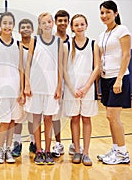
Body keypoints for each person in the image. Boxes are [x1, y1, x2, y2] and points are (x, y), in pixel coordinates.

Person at [24, 12, 63, 165]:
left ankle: (48, 150)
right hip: (35, 84)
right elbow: (28, 63)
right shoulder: (34, 40)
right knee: (36, 119)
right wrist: (27, 84)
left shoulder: (58, 42)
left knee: (49, 118)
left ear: (53, 23)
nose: (47, 24)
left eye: (49, 21)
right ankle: (38, 150)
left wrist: (59, 86)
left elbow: (60, 65)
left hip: (51, 86)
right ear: (39, 26)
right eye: (44, 22)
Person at [96, 0, 131, 165]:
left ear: (115, 13)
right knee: (110, 118)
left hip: (118, 79)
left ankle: (123, 153)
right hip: (105, 79)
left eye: (107, 12)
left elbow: (126, 55)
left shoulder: (122, 30)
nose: (104, 16)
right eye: (102, 13)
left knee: (113, 116)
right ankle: (116, 149)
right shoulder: (102, 35)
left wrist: (119, 79)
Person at [63, 14, 100, 166]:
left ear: (86, 25)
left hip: (88, 88)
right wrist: (72, 88)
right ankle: (77, 150)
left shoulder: (93, 44)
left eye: (81, 24)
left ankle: (86, 152)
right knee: (75, 119)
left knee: (86, 119)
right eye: (76, 25)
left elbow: (97, 67)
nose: (79, 27)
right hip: (72, 89)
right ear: (72, 27)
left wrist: (86, 87)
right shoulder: (67, 45)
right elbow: (63, 69)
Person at [0, 12, 25, 164]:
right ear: (0, 25)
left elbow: (21, 68)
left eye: (10, 23)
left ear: (13, 26)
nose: (7, 26)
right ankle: (0, 150)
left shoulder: (19, 44)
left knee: (12, 121)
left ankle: (8, 149)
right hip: (0, 88)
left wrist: (22, 90)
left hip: (15, 88)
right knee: (3, 121)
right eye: (5, 23)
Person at [12, 18, 36, 157]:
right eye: (23, 27)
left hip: (34, 83)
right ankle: (17, 143)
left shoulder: (37, 44)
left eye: (28, 26)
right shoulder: (16, 45)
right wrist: (21, 88)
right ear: (19, 30)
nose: (26, 29)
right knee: (19, 117)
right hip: (19, 83)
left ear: (32, 29)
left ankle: (33, 142)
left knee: (33, 117)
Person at [51, 10, 70, 157]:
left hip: (71, 82)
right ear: (55, 22)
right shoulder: (50, 41)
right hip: (54, 82)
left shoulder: (73, 41)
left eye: (65, 20)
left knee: (75, 114)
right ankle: (58, 144)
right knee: (55, 115)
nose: (62, 23)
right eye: (60, 21)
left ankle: (76, 144)